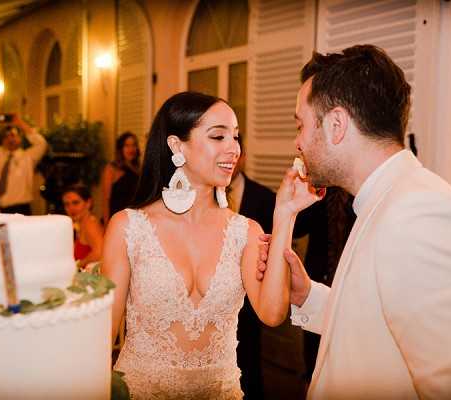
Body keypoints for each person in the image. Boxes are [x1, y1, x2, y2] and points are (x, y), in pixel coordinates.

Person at [259, 45, 451, 399]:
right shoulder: (384, 201)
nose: (298, 142)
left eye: (300, 125)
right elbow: (377, 326)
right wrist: (308, 295)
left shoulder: (423, 217)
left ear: (336, 125)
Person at [101, 91, 314, 399]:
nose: (233, 149)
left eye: (236, 138)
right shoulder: (128, 227)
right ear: (177, 146)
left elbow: (272, 312)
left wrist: (286, 213)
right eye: (218, 136)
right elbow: (102, 337)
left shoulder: (245, 231)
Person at [292, 186, 355, 384]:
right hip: (318, 280)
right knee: (314, 356)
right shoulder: (321, 186)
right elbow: (298, 228)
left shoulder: (366, 190)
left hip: (353, 285)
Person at [228, 147, 274, 399]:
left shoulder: (263, 197)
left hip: (251, 299)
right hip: (214, 299)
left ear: (243, 157)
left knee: (249, 361)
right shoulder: (202, 196)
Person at [0, 113, 47, 215]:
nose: (10, 139)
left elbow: (41, 144)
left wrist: (21, 124)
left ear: (20, 138)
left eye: (13, 135)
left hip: (21, 209)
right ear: (2, 140)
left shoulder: (28, 157)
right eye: (6, 137)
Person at [62, 183, 104, 270]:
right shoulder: (82, 224)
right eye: (67, 204)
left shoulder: (90, 224)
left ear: (88, 203)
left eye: (76, 203)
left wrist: (77, 265)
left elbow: (100, 252)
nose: (71, 208)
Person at [101, 131, 140, 225]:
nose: (131, 149)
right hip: (116, 220)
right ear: (120, 149)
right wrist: (107, 224)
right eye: (127, 145)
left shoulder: (139, 169)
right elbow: (106, 200)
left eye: (133, 145)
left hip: (134, 220)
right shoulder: (111, 169)